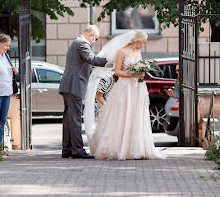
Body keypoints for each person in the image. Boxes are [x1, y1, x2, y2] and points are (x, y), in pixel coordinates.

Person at [88, 30, 167, 160]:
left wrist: (141, 74)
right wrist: (132, 75)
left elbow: (139, 68)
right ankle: (119, 148)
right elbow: (118, 71)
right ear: (137, 41)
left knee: (136, 115)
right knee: (123, 115)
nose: (142, 45)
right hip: (125, 87)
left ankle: (136, 148)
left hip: (137, 87)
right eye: (142, 43)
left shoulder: (138, 52)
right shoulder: (122, 52)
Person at [59, 25, 107, 159]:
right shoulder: (82, 43)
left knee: (69, 119)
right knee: (74, 119)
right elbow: (92, 59)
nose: (95, 41)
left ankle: (67, 149)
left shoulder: (77, 42)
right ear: (91, 35)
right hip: (74, 85)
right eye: (96, 38)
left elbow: (86, 65)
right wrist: (109, 60)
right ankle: (77, 150)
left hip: (70, 85)